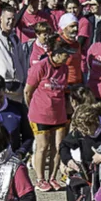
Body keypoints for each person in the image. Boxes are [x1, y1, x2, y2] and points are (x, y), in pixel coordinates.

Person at [25, 43, 72, 192]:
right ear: (55, 55)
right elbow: (28, 91)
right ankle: (40, 179)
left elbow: (64, 89)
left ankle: (52, 177)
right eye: (63, 57)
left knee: (58, 147)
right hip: (40, 113)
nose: (66, 60)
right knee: (43, 146)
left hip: (59, 113)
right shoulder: (40, 67)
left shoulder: (64, 68)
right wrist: (33, 107)